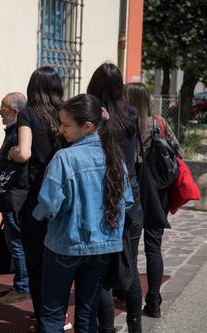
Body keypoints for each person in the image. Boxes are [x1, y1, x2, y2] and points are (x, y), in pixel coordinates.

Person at [33, 93, 134, 333]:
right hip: (103, 246)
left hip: (64, 245)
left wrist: (37, 217)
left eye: (66, 125)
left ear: (87, 126)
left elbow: (48, 205)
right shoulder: (114, 157)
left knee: (52, 314)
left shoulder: (64, 158)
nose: (61, 130)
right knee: (87, 313)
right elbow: (127, 201)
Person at [88, 63, 144, 333]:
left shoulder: (91, 116)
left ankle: (106, 329)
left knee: (100, 275)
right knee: (128, 266)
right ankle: (135, 324)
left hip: (100, 197)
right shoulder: (130, 113)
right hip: (129, 194)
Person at [8, 66, 64, 330]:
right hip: (64, 195)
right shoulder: (66, 112)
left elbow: (25, 153)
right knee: (61, 259)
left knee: (36, 261)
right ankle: (60, 316)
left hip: (36, 196)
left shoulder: (28, 114)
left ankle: (46, 320)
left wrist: (11, 153)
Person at [124, 82, 180, 319]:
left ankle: (128, 293)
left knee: (130, 245)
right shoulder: (158, 121)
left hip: (134, 190)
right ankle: (154, 301)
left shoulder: (126, 124)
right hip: (159, 191)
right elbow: (177, 150)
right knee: (153, 246)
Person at [0, 92, 30, 304]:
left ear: (15, 111)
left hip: (14, 197)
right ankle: (22, 283)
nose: (0, 112)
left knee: (16, 241)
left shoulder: (19, 134)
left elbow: (22, 157)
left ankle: (22, 286)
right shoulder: (13, 132)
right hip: (9, 196)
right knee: (15, 240)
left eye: (3, 108)